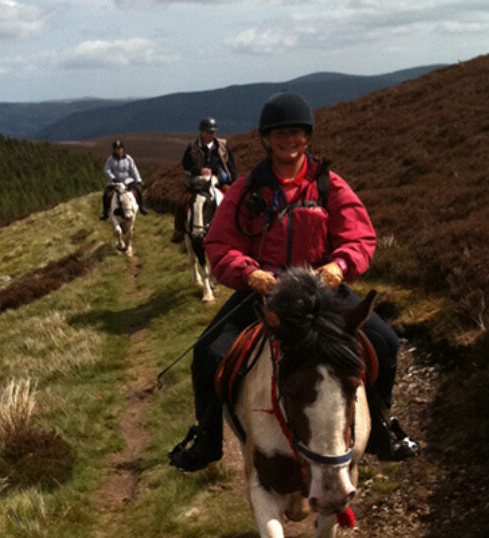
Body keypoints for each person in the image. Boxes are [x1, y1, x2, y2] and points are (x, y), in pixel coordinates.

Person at [168, 91, 419, 472]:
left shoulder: (329, 185)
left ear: (308, 136)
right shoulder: (245, 189)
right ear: (267, 139)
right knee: (207, 354)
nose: (289, 140)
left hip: (323, 288)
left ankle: (384, 428)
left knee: (384, 342)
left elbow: (359, 237)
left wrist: (340, 265)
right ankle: (207, 440)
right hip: (265, 290)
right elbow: (219, 243)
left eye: (297, 132)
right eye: (279, 133)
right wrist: (248, 272)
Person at [170, 117, 237, 242]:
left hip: (218, 181)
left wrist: (232, 181)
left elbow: (231, 166)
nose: (211, 135)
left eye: (213, 132)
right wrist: (199, 171)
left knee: (233, 201)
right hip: (197, 181)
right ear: (201, 132)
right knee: (181, 201)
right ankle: (179, 230)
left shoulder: (223, 146)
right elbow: (185, 165)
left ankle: (235, 230)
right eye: (208, 132)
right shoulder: (192, 147)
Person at [100, 139, 147, 220]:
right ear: (114, 150)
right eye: (116, 149)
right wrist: (112, 178)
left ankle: (141, 208)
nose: (118, 150)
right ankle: (105, 213)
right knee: (105, 195)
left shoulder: (128, 158)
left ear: (123, 149)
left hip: (127, 181)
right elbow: (107, 170)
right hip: (114, 183)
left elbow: (133, 169)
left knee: (138, 191)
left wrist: (138, 179)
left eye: (120, 148)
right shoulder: (110, 160)